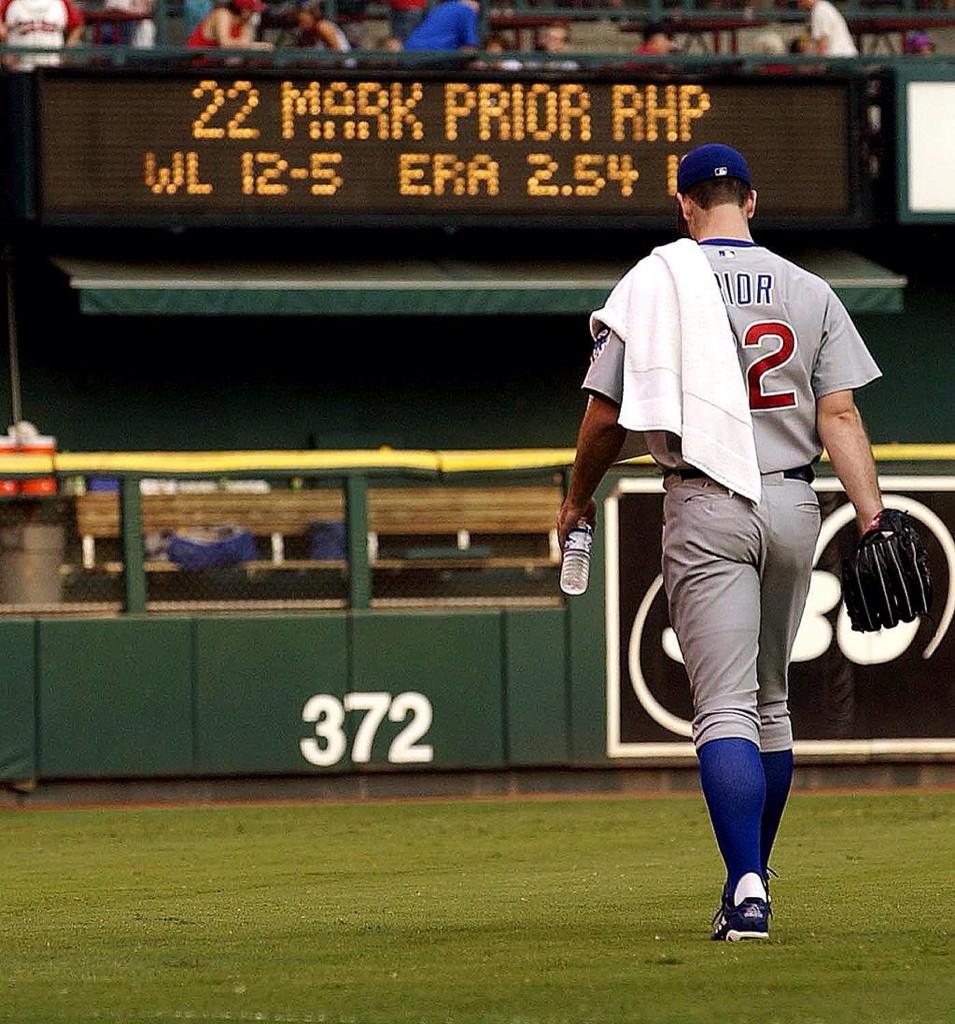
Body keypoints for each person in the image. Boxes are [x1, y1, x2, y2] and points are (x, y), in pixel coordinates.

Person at [557, 143, 883, 941]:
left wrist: (575, 499)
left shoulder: (657, 281)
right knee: (771, 707)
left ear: (683, 205)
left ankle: (744, 886)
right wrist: (870, 516)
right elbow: (837, 417)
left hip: (706, 501)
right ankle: (751, 881)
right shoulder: (808, 289)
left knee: (724, 710)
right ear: (752, 198)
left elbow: (605, 417)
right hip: (792, 503)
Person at [0, 0, 83, 68]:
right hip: (19, 64)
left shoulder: (61, 3)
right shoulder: (10, 2)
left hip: (51, 62)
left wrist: (66, 53)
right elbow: (2, 30)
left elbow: (77, 26)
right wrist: (7, 53)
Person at [187, 0, 273, 48]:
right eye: (252, 10)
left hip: (215, 66)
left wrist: (261, 46)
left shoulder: (245, 22)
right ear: (244, 10)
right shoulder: (222, 14)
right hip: (194, 63)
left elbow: (246, 44)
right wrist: (256, 46)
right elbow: (225, 43)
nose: (255, 13)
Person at [404, 0, 479, 51]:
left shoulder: (439, 8)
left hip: (407, 53)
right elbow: (470, 48)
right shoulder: (468, 9)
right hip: (431, 58)